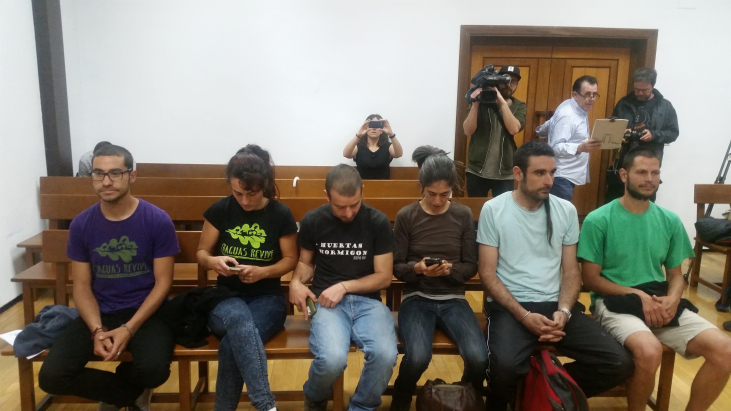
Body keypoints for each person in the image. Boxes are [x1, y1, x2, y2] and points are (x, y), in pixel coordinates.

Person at [477, 140, 633, 411]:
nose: (549, 180)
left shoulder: (566, 210)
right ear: (518, 174)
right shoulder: (494, 209)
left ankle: (542, 388)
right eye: (540, 173)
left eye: (552, 172)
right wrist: (523, 315)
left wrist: (564, 311)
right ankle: (526, 391)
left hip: (554, 306)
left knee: (619, 363)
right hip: (511, 307)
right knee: (503, 369)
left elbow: (572, 272)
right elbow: (487, 274)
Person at [579, 146, 731, 411]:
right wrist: (637, 295)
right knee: (650, 351)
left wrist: (673, 299)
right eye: (641, 172)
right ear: (624, 175)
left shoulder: (669, 220)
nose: (649, 179)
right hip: (613, 301)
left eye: (655, 173)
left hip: (658, 299)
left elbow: (676, 275)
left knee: (725, 350)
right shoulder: (598, 219)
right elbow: (591, 280)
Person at [38, 144, 179, 411]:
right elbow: (81, 287)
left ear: (131, 176)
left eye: (115, 173)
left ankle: (127, 390)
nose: (106, 181)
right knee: (51, 377)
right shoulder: (81, 224)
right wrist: (97, 330)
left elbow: (163, 283)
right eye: (98, 174)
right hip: (99, 312)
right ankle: (126, 395)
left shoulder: (157, 220)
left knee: (154, 371)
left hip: (146, 313)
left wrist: (129, 328)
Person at [196, 145, 298, 411]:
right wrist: (214, 261)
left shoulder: (280, 214)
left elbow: (290, 259)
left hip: (268, 299)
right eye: (237, 193)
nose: (244, 201)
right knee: (239, 320)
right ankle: (266, 405)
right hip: (225, 297)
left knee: (233, 343)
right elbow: (202, 253)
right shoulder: (220, 210)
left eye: (251, 194)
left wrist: (263, 271)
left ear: (264, 185)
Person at [288, 164, 398, 411]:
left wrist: (344, 287)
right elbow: (305, 264)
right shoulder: (313, 220)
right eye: (340, 207)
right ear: (326, 196)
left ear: (362, 191)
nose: (348, 213)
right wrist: (296, 282)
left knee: (384, 355)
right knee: (332, 360)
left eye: (354, 205)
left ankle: (361, 407)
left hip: (368, 302)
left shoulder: (377, 221)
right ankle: (315, 397)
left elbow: (384, 277)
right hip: (325, 303)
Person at [390, 146, 488, 411]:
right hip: (416, 298)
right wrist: (418, 269)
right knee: (417, 357)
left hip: (453, 299)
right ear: (422, 187)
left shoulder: (462, 215)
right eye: (431, 194)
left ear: (452, 190)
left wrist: (449, 271)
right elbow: (397, 267)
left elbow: (470, 265)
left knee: (479, 358)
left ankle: (464, 398)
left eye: (445, 194)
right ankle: (400, 400)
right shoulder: (407, 215)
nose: (437, 200)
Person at [605, 67, 680, 203]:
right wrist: (620, 133)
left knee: (645, 205)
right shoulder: (624, 103)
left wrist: (654, 135)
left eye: (644, 90)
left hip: (649, 164)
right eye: (636, 89)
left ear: (652, 86)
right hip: (623, 164)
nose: (639, 93)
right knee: (614, 203)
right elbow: (611, 126)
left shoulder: (665, 106)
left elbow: (673, 133)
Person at [463, 65, 526, 198]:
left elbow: (514, 129)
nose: (508, 84)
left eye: (513, 81)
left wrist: (501, 103)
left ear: (517, 84)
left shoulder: (519, 106)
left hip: (505, 172)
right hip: (477, 170)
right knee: (476, 208)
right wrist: (475, 104)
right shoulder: (481, 102)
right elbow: (468, 130)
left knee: (503, 209)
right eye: (505, 80)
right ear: (497, 80)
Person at [536, 75, 603, 201]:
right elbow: (555, 147)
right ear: (575, 95)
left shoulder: (573, 106)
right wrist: (579, 147)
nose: (592, 99)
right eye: (587, 94)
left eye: (594, 94)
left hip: (569, 174)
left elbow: (552, 122)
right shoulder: (567, 115)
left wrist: (541, 131)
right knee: (560, 212)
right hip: (562, 176)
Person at [343, 114, 403, 179]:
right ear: (366, 128)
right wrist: (359, 135)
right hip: (362, 184)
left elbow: (398, 154)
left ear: (381, 130)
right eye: (371, 125)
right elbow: (346, 154)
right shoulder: (358, 147)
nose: (374, 129)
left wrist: (391, 134)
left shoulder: (388, 147)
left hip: (383, 184)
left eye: (377, 125)